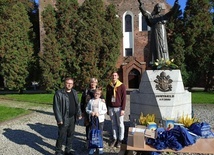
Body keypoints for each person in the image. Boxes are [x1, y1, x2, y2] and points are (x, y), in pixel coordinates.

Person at [53, 77, 82, 155]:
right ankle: (58, 152)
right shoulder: (59, 93)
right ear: (64, 83)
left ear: (73, 84)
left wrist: (79, 113)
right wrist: (59, 119)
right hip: (63, 118)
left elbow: (77, 104)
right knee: (61, 136)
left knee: (70, 135)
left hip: (72, 118)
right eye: (67, 83)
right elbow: (56, 107)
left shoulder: (74, 92)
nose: (69, 85)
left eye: (71, 83)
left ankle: (67, 151)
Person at [80, 78, 105, 145]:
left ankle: (98, 142)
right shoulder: (86, 91)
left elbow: (103, 100)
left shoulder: (99, 91)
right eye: (91, 82)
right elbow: (82, 102)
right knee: (88, 126)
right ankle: (88, 140)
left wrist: (103, 100)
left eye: (94, 82)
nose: (93, 83)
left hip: (96, 114)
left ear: (96, 83)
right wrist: (82, 111)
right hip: (88, 112)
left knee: (97, 127)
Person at [106, 71, 126, 148]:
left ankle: (120, 139)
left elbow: (124, 98)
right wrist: (107, 108)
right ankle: (115, 138)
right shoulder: (109, 86)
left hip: (119, 108)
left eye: (115, 75)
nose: (114, 77)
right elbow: (107, 98)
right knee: (113, 124)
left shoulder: (121, 86)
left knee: (120, 124)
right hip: (111, 108)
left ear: (118, 77)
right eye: (113, 75)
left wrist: (123, 109)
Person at [86, 87, 107, 155]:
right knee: (93, 133)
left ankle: (100, 147)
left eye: (98, 94)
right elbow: (87, 109)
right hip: (93, 119)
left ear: (100, 95)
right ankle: (93, 148)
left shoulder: (102, 101)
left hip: (100, 119)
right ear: (94, 94)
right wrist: (91, 112)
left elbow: (105, 110)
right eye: (95, 93)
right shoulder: (91, 101)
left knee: (100, 133)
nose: (96, 95)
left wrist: (99, 113)